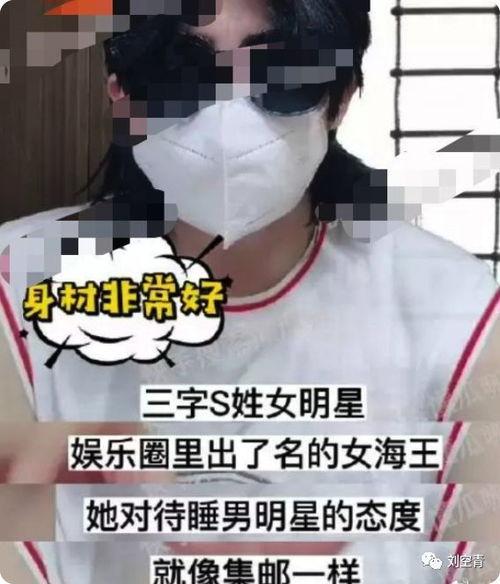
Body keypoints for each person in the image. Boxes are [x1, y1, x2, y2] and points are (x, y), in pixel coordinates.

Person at [0, 0, 499, 582]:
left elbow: (480, 557)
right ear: (123, 93)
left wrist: (378, 564)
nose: (225, 116)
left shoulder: (455, 308)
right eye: (181, 70)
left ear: (340, 99)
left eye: (278, 75)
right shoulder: (18, 285)